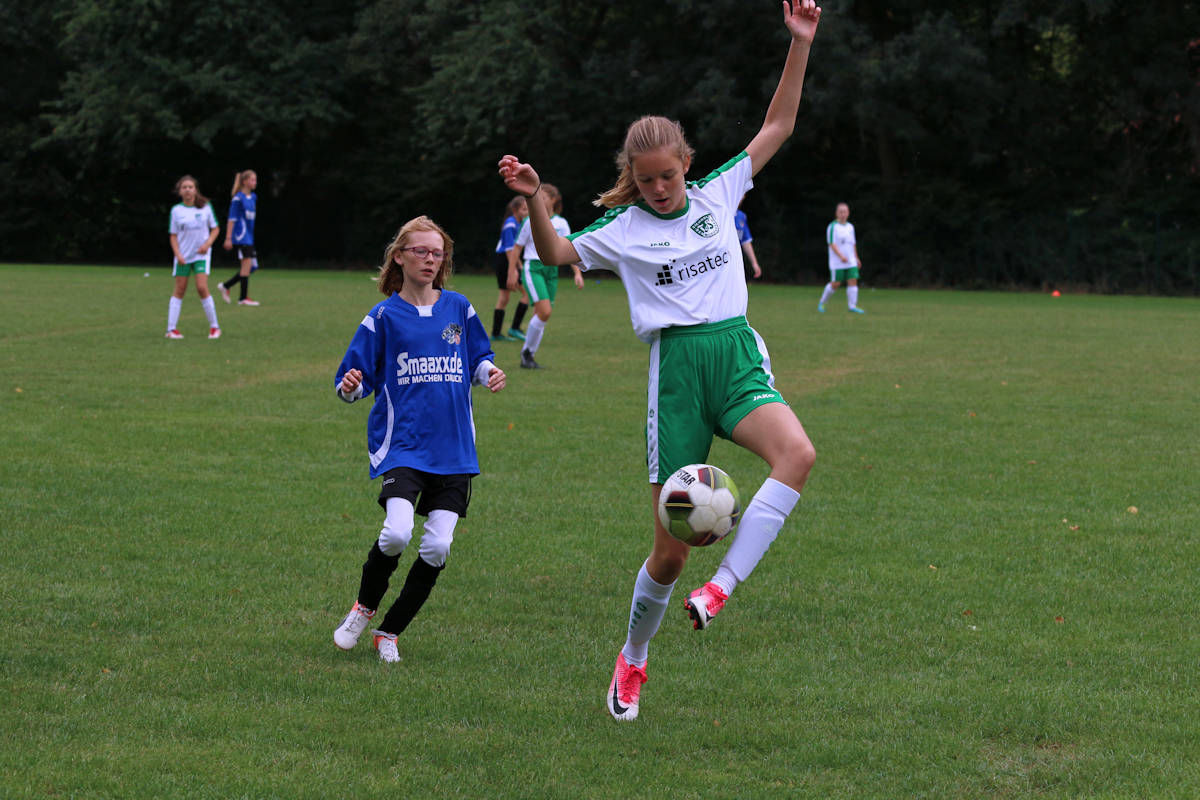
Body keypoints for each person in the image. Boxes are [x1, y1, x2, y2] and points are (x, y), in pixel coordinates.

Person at [499, 0, 821, 722]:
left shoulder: (719, 193)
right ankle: (634, 658)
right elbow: (556, 254)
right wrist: (532, 204)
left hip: (734, 353)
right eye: (645, 181)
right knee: (669, 555)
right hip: (675, 375)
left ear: (685, 164)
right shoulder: (624, 227)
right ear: (634, 177)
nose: (657, 189)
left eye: (666, 177)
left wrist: (799, 44)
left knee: (796, 455)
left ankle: (722, 589)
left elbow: (779, 127)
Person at [331, 215, 507, 663]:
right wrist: (350, 387)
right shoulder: (384, 316)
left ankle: (388, 632)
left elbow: (477, 357)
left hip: (454, 450)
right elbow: (351, 382)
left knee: (438, 546)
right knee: (396, 533)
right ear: (400, 256)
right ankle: (363, 608)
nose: (431, 260)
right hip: (404, 445)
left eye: (438, 253)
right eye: (422, 252)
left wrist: (488, 373)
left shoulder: (459, 307)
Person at [507, 183, 583, 369]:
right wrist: (512, 272)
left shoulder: (561, 223)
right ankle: (527, 353)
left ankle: (528, 356)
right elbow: (517, 248)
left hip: (552, 271)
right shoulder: (529, 221)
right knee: (545, 311)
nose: (539, 199)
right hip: (533, 268)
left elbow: (571, 248)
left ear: (553, 199)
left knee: (541, 314)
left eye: (543, 196)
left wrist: (577, 273)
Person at [165, 175, 222, 339]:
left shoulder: (205, 207)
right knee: (179, 290)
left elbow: (215, 229)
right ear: (180, 191)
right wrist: (177, 254)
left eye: (191, 187)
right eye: (184, 187)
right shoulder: (176, 211)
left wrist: (207, 244)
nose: (188, 190)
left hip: (201, 256)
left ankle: (215, 327)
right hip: (183, 256)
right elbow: (173, 235)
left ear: (195, 190)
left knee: (202, 288)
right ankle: (171, 330)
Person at [490, 196, 531, 341]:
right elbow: (509, 249)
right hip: (505, 261)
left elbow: (516, 250)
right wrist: (513, 271)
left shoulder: (519, 223)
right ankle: (514, 328)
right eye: (524, 209)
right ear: (515, 210)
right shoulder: (510, 224)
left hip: (508, 261)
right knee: (526, 293)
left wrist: (519, 265)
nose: (527, 212)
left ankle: (496, 333)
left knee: (505, 297)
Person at [218, 169, 261, 307]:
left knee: (253, 266)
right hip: (242, 236)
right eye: (252, 179)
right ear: (245, 181)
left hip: (250, 236)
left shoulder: (253, 197)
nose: (255, 182)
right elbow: (232, 218)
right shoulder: (238, 199)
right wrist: (228, 238)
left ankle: (226, 286)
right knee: (246, 266)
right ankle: (243, 298)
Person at [817, 202, 864, 313]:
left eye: (845, 212)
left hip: (850, 260)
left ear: (848, 213)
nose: (843, 214)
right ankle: (822, 303)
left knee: (853, 281)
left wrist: (856, 257)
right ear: (836, 213)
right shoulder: (832, 227)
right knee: (836, 284)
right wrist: (841, 256)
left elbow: (853, 243)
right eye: (840, 212)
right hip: (837, 261)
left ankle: (852, 306)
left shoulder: (850, 227)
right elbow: (831, 243)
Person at [735, 198, 763, 280]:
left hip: (736, 262)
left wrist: (754, 263)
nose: (742, 197)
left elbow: (745, 240)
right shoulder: (719, 213)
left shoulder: (741, 216)